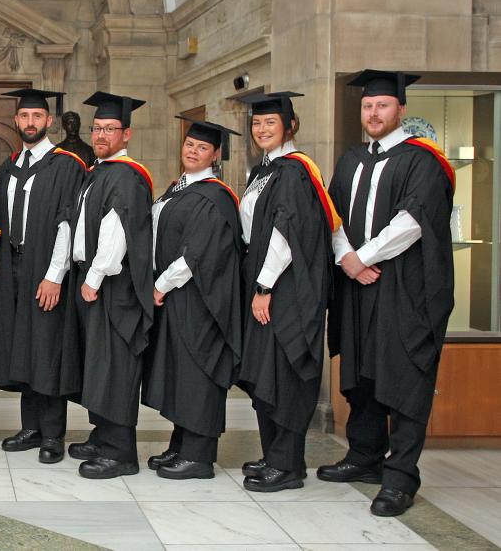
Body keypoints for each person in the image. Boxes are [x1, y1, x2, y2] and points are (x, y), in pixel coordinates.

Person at [322, 69, 455, 517]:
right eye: (367, 106)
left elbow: (413, 220)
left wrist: (363, 257)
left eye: (381, 105)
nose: (373, 113)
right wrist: (346, 258)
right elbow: (333, 214)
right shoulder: (351, 159)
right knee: (361, 373)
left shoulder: (423, 160)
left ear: (401, 109)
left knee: (403, 375)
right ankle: (364, 457)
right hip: (358, 283)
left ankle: (400, 477)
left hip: (404, 287)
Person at [234, 92, 339, 492]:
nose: (261, 129)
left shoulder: (295, 171)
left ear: (290, 127)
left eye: (270, 124)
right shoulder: (264, 170)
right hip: (264, 285)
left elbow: (285, 233)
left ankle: (288, 465)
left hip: (285, 289)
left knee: (285, 371)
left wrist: (264, 285)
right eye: (257, 124)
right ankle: (273, 454)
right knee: (265, 372)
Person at [143, 117, 243, 481]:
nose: (193, 151)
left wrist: (161, 285)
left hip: (201, 301)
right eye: (189, 145)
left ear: (216, 154)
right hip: (177, 298)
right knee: (179, 372)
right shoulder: (178, 188)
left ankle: (199, 456)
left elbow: (196, 255)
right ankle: (181, 442)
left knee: (199, 372)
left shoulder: (215, 197)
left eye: (202, 147)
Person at [63, 92, 155, 479]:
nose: (101, 135)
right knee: (98, 365)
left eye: (110, 129)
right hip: (94, 282)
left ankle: (121, 453)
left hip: (113, 287)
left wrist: (95, 277)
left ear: (127, 134)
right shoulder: (99, 171)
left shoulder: (126, 176)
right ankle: (103, 435)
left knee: (115, 366)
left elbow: (118, 232)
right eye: (97, 128)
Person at [0, 88, 87, 464]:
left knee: (47, 347)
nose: (30, 123)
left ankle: (52, 434)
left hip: (45, 266)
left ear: (48, 121)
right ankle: (30, 427)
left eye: (37, 117)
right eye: (24, 117)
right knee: (23, 346)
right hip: (12, 265)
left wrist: (54, 275)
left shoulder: (66, 165)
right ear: (16, 121)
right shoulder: (9, 166)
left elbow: (69, 223)